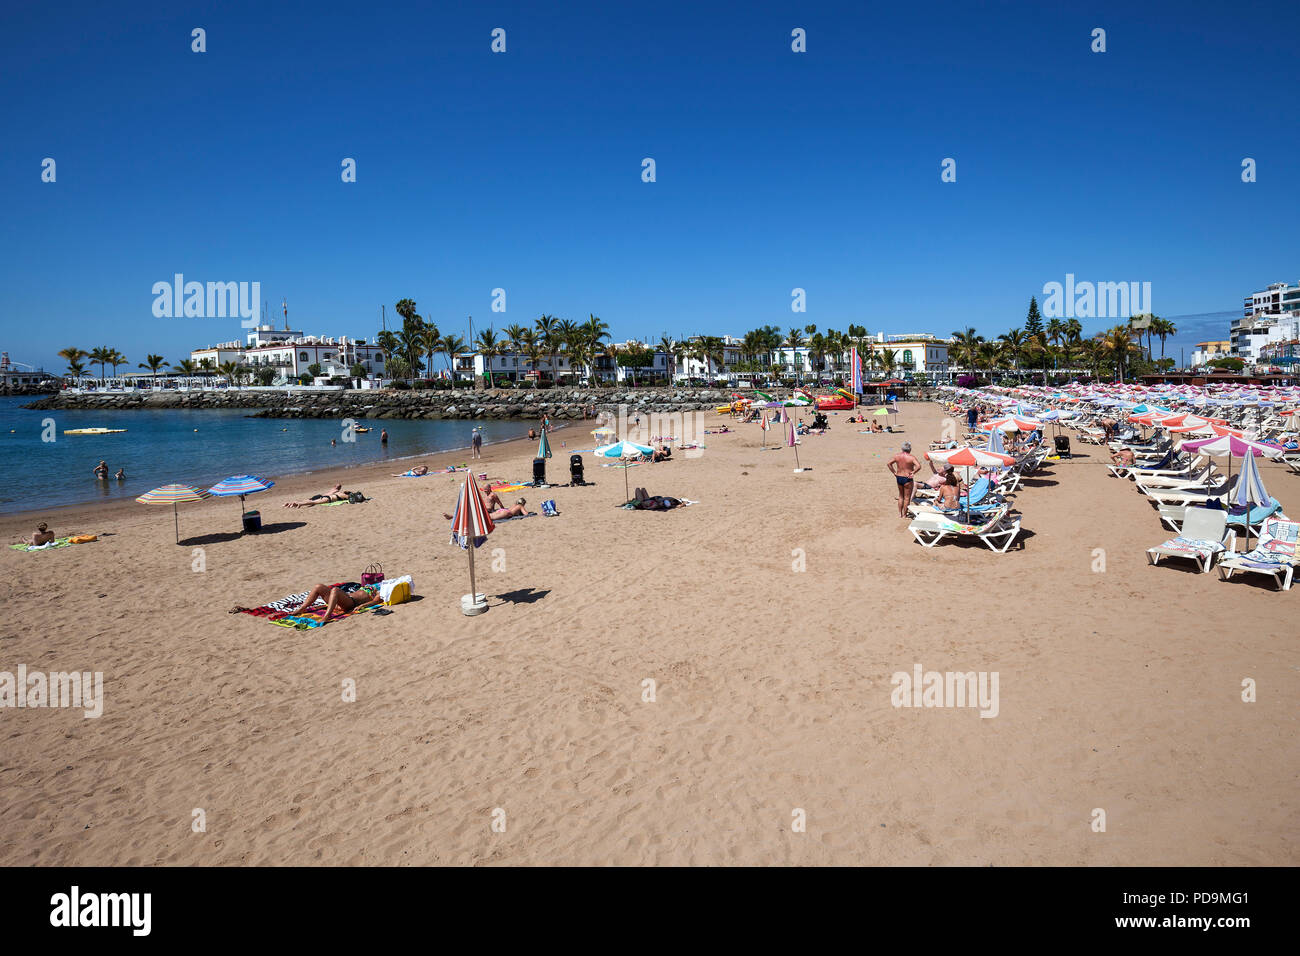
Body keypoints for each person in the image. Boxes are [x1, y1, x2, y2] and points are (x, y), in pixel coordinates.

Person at [287, 582, 384, 620]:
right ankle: (302, 608)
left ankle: (327, 616)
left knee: (335, 590)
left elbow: (376, 601)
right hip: (338, 602)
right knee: (318, 586)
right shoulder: (372, 585)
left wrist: (364, 605)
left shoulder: (382, 590)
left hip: (350, 602)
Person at [887, 442, 921, 518]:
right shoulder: (911, 457)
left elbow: (889, 464)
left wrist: (894, 472)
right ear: (910, 449)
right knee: (907, 498)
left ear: (902, 449)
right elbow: (919, 466)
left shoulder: (897, 456)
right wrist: (913, 472)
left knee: (901, 496)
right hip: (907, 478)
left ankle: (900, 514)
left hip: (899, 477)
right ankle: (905, 514)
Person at [443, 497, 527, 521]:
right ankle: (453, 516)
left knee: (483, 516)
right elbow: (526, 514)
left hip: (503, 510)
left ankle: (453, 516)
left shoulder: (514, 504)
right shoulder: (520, 506)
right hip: (506, 513)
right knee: (485, 517)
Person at [283, 483, 352, 507]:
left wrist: (347, 493)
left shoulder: (337, 492)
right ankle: (293, 503)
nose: (338, 486)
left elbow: (349, 497)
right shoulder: (335, 490)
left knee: (312, 502)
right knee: (309, 500)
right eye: (337, 485)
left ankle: (298, 504)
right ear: (335, 486)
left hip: (326, 497)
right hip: (321, 496)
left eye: (339, 486)